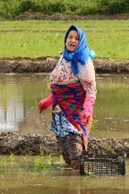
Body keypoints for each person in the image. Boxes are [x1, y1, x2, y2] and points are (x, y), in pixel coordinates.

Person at [38, 24, 96, 171]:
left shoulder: (84, 62)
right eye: (70, 37)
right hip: (59, 109)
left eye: (76, 38)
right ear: (65, 40)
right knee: (64, 148)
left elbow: (91, 89)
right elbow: (59, 85)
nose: (72, 41)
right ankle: (71, 185)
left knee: (74, 145)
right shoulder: (64, 56)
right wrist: (49, 99)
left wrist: (87, 109)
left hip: (75, 109)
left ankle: (79, 188)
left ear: (81, 41)